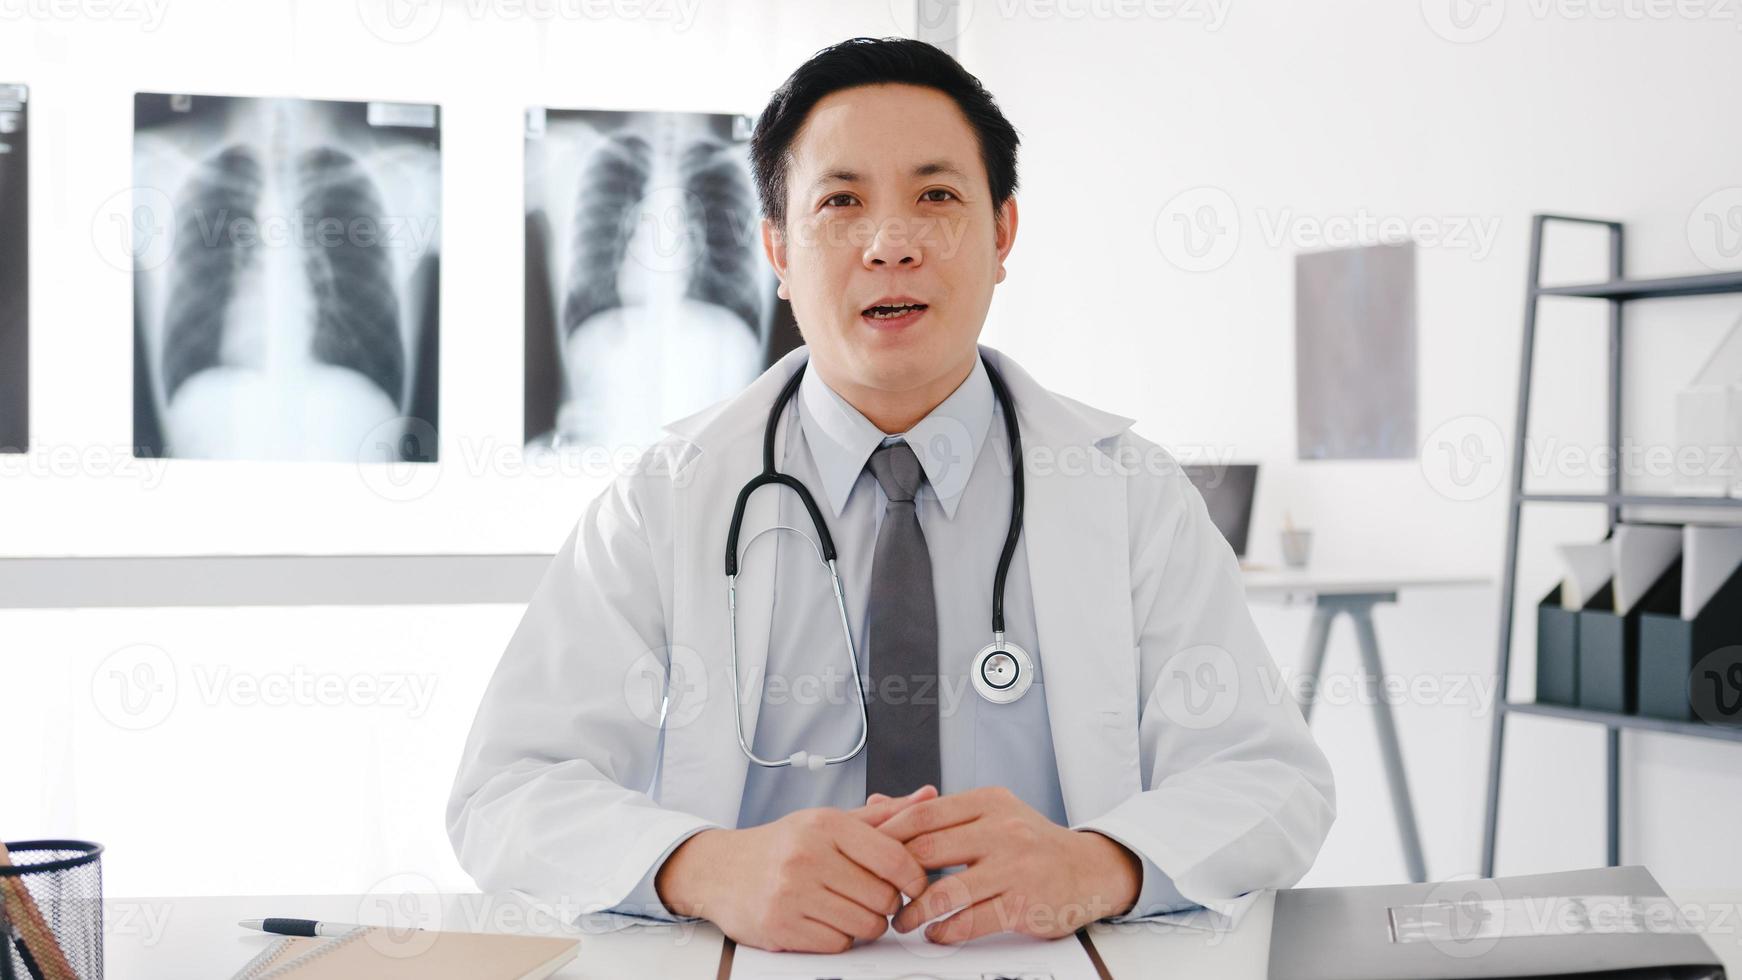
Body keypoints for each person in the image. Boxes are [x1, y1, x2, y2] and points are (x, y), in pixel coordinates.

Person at [448, 36, 1335, 954]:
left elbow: (1270, 780)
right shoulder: (668, 500)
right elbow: (508, 791)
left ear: (1002, 235)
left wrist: (1104, 861)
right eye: (841, 202)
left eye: (937, 197)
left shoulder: (1127, 493)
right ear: (777, 250)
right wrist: (703, 866)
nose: (891, 244)